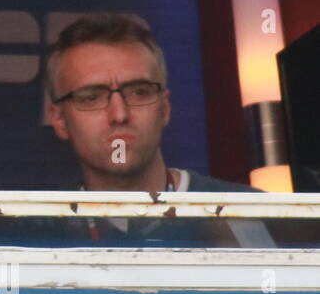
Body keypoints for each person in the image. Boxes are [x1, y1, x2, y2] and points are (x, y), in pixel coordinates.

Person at [43, 13, 271, 246]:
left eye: (139, 92)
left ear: (164, 108)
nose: (120, 115)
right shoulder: (34, 228)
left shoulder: (254, 214)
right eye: (91, 97)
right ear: (59, 119)